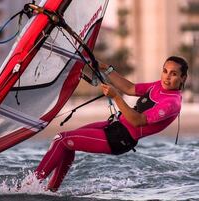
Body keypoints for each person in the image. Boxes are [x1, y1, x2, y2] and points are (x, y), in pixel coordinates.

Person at [34, 56, 188, 192]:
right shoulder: (158, 86)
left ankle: (31, 185)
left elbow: (137, 121)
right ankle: (52, 189)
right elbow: (130, 88)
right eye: (165, 71)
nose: (167, 77)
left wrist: (116, 97)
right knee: (68, 143)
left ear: (183, 78)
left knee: (62, 139)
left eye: (173, 74)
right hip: (114, 126)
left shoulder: (171, 103)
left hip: (120, 138)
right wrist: (106, 68)